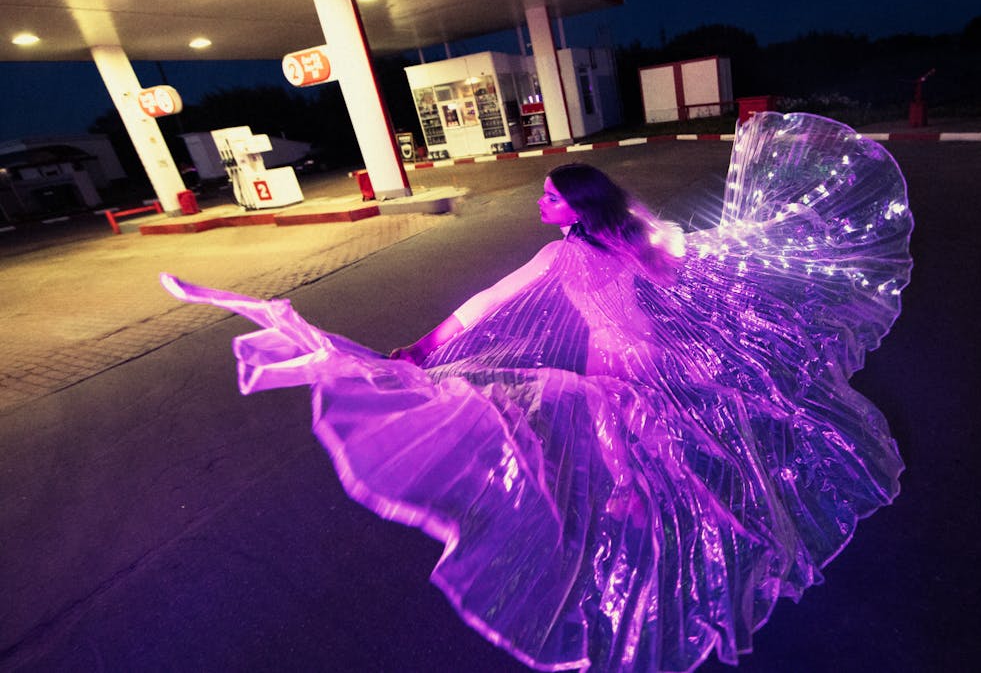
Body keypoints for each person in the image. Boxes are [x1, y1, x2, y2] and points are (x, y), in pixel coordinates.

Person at [162, 111, 913, 673]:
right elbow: (669, 265)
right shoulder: (630, 237)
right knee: (648, 435)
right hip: (637, 353)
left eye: (552, 197)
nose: (542, 205)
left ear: (575, 206)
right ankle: (638, 492)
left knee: (634, 439)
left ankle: (639, 503)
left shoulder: (567, 253)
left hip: (620, 360)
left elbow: (491, 299)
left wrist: (428, 345)